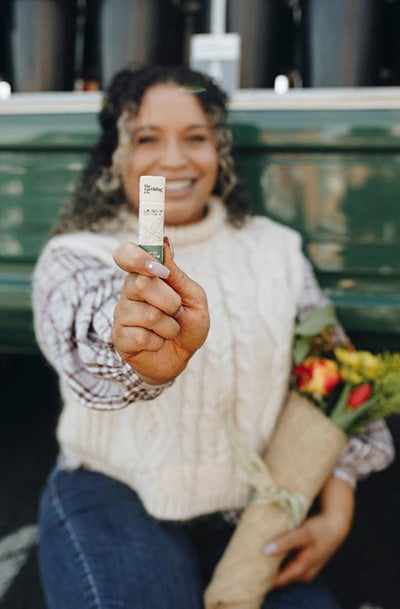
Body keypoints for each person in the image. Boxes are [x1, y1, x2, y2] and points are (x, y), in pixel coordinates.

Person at [33, 66, 394, 609]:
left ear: (221, 151)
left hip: (249, 513)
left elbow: (337, 383)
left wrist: (335, 516)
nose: (174, 160)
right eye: (147, 138)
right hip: (113, 491)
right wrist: (136, 352)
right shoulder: (76, 254)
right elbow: (87, 330)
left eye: (196, 138)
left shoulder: (276, 251)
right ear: (117, 155)